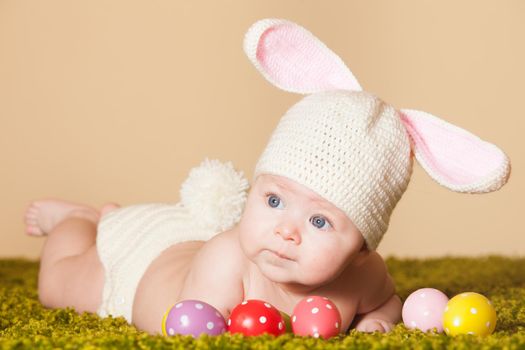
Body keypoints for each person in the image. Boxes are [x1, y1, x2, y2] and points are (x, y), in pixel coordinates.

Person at [24, 18, 511, 336]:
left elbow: (385, 303)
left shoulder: (366, 276)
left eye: (320, 222)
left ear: (363, 246)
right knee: (61, 282)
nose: (286, 229)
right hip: (139, 267)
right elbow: (192, 328)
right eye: (274, 200)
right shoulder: (226, 260)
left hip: (188, 241)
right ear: (257, 188)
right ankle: (79, 221)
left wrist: (377, 324)